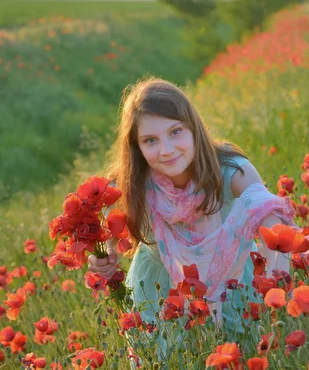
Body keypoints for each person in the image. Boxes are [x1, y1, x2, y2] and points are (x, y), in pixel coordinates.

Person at [87, 77, 297, 363]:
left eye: (175, 132)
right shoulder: (131, 182)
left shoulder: (231, 170)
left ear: (194, 128)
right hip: (159, 293)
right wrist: (104, 259)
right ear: (136, 146)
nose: (166, 149)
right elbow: (106, 240)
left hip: (231, 284)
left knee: (237, 358)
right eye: (151, 140)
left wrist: (277, 288)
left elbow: (272, 220)